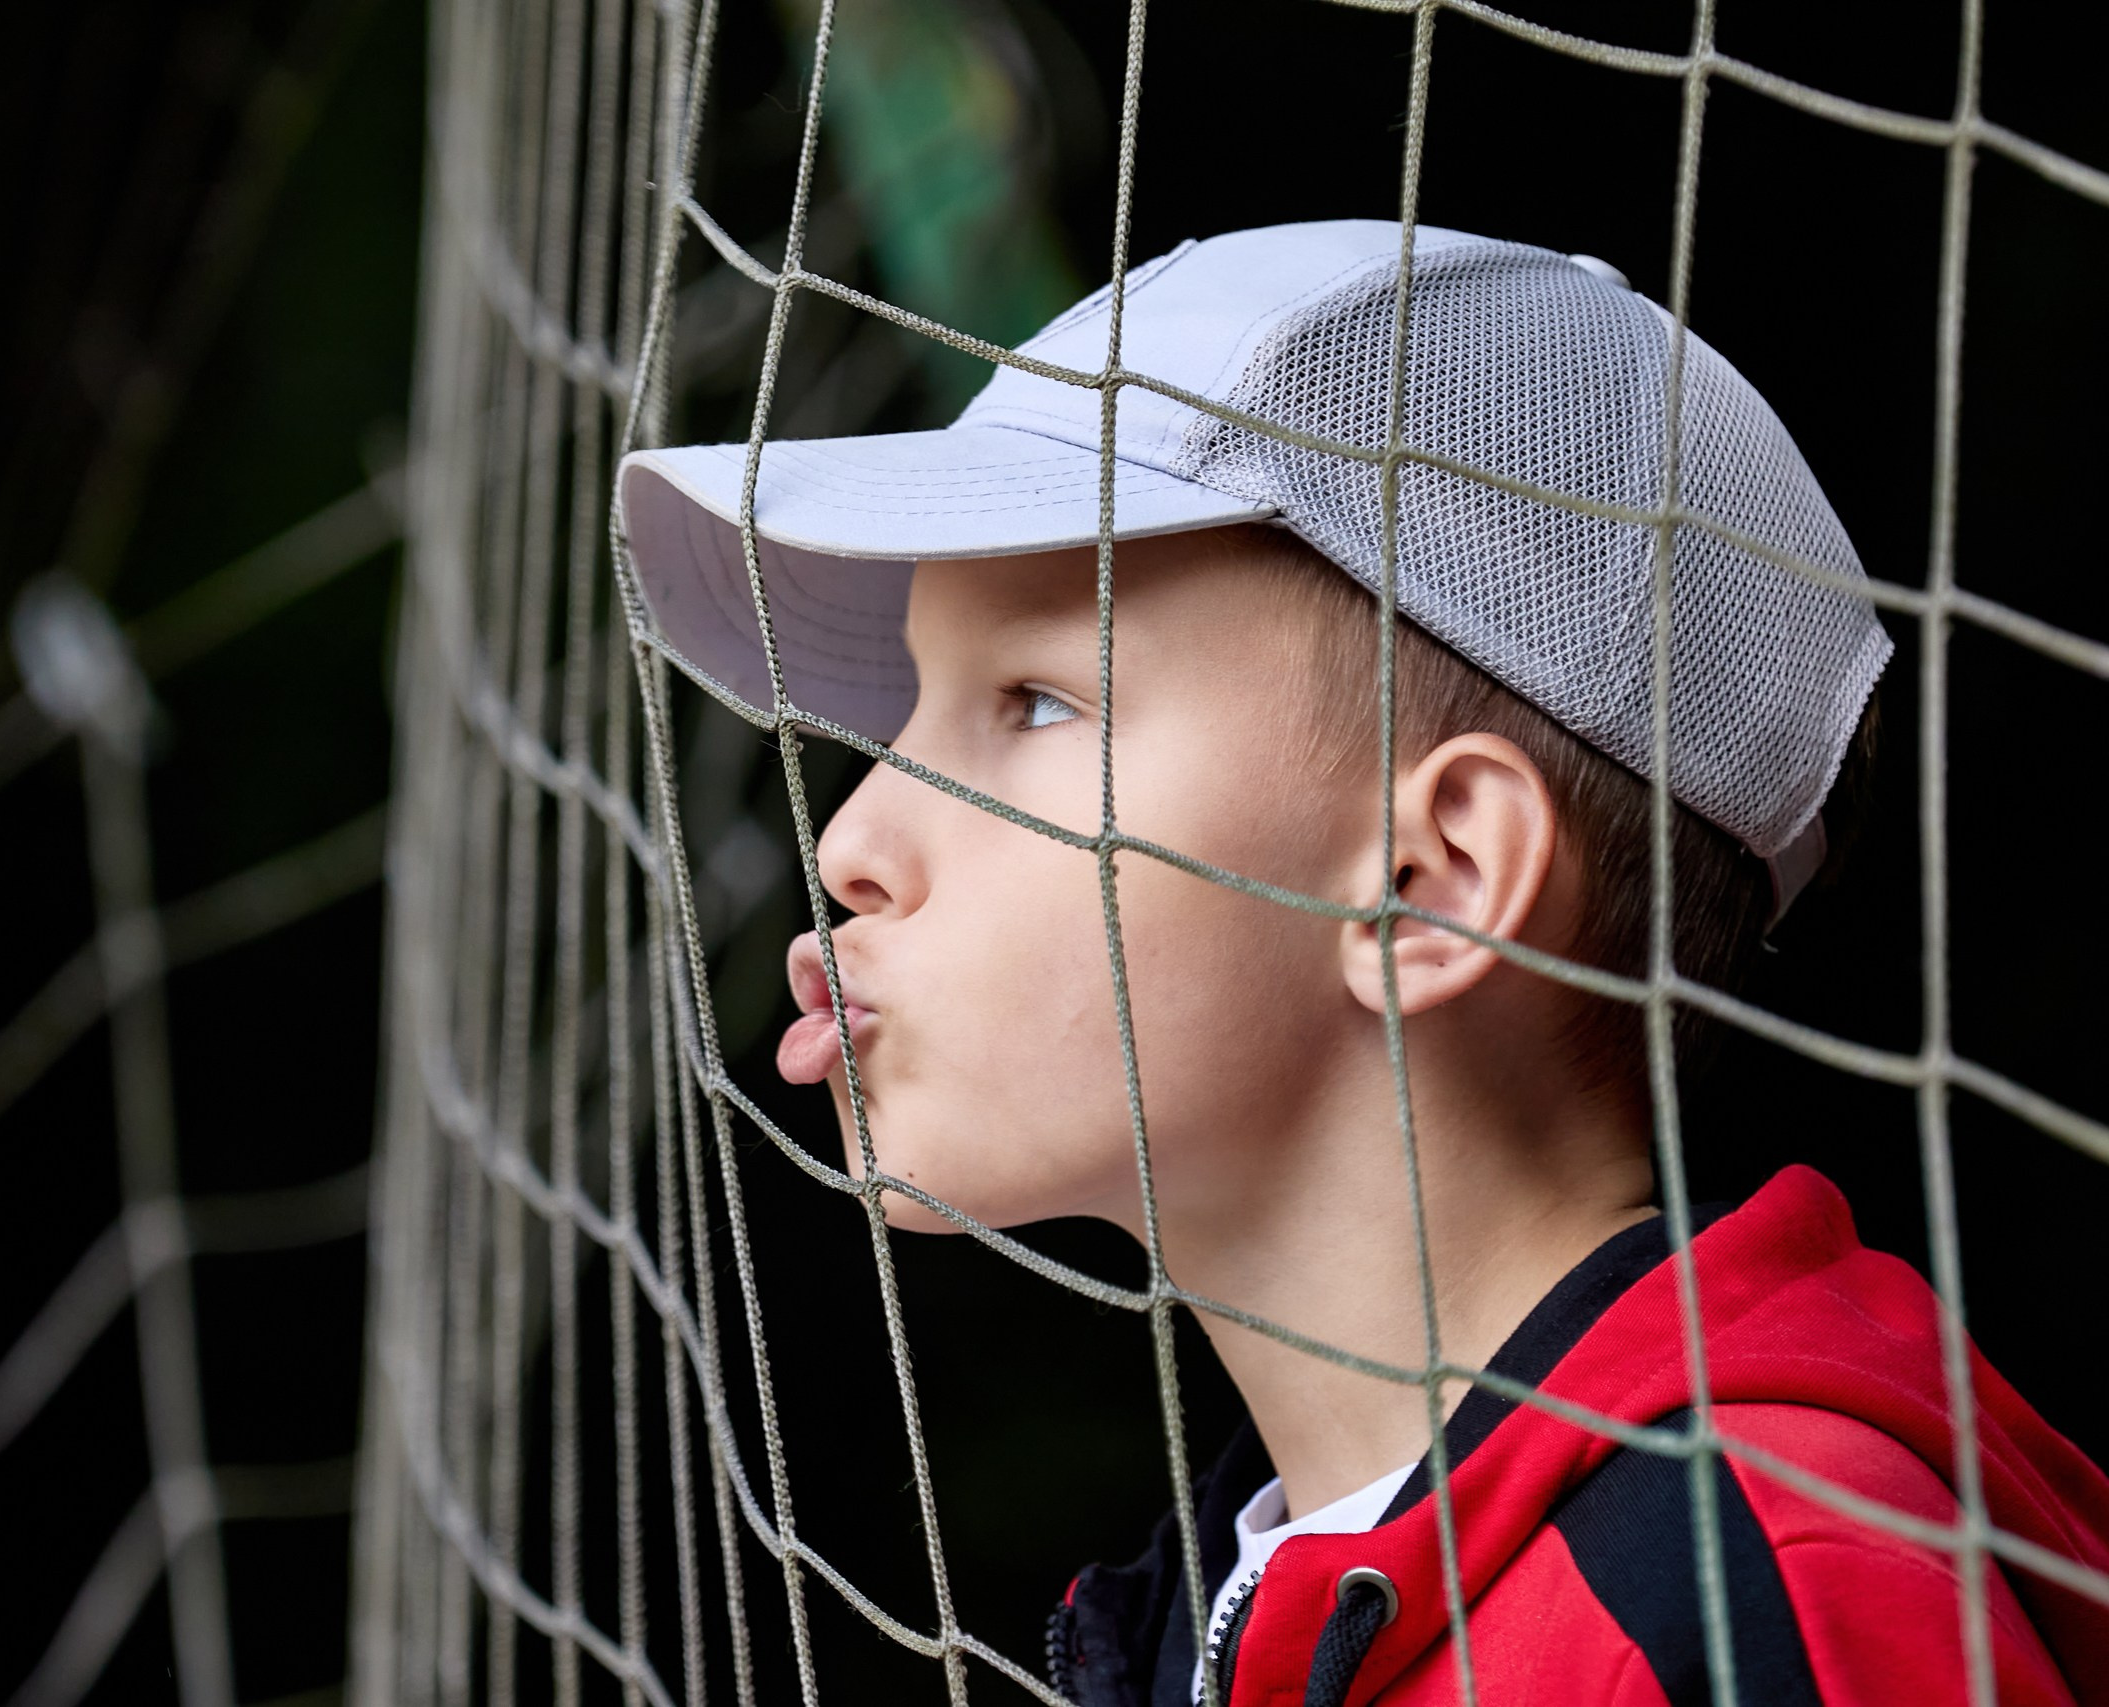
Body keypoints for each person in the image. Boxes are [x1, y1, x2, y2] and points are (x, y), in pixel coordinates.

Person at [614, 221, 2109, 1705]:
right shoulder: (1244, 1613)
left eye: (1038, 703)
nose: (852, 841)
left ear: (1430, 885)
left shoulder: (1764, 1598)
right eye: (908, 715)